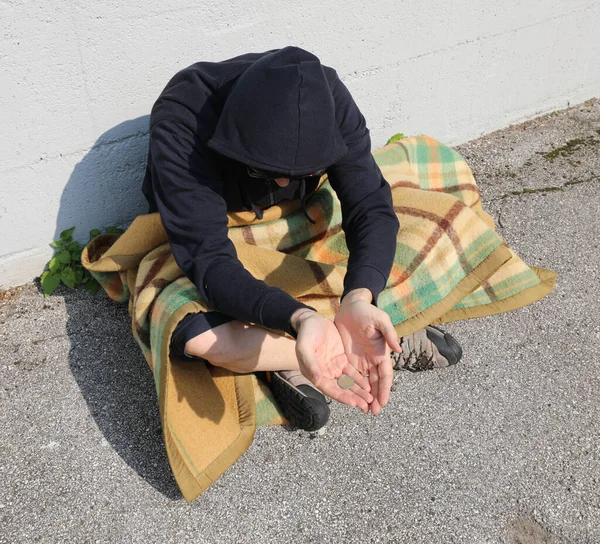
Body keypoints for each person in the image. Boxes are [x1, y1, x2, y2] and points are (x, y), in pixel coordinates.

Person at [142, 47, 462, 432]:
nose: (281, 181)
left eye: (301, 171)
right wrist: (299, 318)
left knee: (440, 220)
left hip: (298, 220)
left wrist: (360, 296)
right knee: (196, 336)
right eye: (264, 170)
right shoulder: (183, 120)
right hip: (214, 231)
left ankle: (308, 348)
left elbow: (370, 206)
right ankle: (344, 346)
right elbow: (208, 258)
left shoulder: (329, 99)